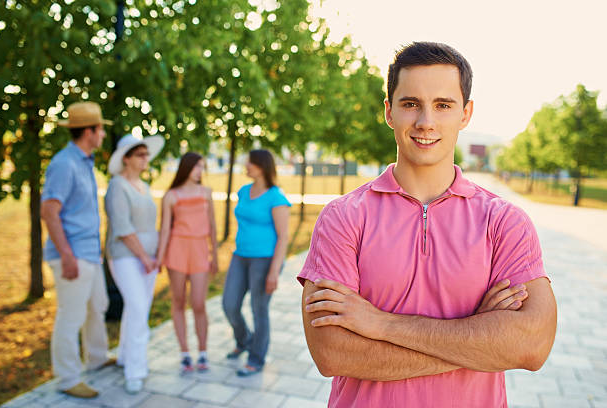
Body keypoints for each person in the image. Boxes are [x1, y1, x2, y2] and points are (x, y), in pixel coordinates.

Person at [299, 42, 557, 407]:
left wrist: (381, 324)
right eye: (410, 104)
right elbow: (331, 353)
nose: (426, 122)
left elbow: (532, 346)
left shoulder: (504, 222)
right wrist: (477, 337)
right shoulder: (342, 218)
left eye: (443, 105)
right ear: (389, 112)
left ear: (466, 113)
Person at [41, 102, 116, 399]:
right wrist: (67, 256)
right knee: (70, 316)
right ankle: (68, 377)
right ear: (90, 131)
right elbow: (49, 211)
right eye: (100, 130)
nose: (102, 136)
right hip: (71, 255)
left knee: (97, 306)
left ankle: (96, 357)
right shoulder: (64, 163)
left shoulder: (84, 161)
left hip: (89, 253)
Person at [222, 149, 291, 376]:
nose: (246, 164)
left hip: (265, 260)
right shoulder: (243, 191)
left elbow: (283, 237)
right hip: (240, 256)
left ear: (261, 166)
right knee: (229, 305)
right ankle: (245, 340)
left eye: (250, 162)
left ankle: (256, 357)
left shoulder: (276, 197)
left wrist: (274, 272)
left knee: (258, 309)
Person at [104, 133, 164, 394]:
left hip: (148, 258)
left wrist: (155, 256)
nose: (145, 159)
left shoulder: (145, 185)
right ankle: (135, 371)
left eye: (146, 154)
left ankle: (126, 357)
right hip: (126, 256)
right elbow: (123, 227)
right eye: (140, 155)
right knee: (139, 308)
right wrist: (144, 257)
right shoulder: (117, 185)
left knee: (136, 308)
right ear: (126, 159)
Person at [156, 152, 218, 374]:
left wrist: (215, 256)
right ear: (186, 168)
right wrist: (160, 258)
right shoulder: (171, 196)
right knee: (179, 301)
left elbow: (212, 225)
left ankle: (203, 352)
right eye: (196, 167)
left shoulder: (206, 193)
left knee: (199, 303)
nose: (200, 171)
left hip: (200, 250)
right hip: (177, 251)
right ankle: (184, 353)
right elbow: (165, 229)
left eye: (202, 167)